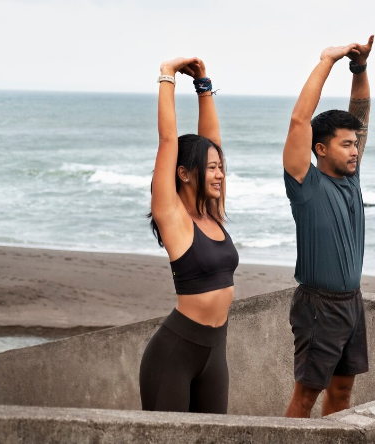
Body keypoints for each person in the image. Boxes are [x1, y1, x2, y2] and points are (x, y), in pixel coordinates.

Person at [139, 56, 238, 413]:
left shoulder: (211, 212)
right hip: (174, 355)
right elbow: (168, 140)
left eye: (221, 168)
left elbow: (211, 143)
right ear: (183, 173)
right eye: (211, 169)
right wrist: (167, 75)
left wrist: (204, 86)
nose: (220, 174)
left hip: (216, 353)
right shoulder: (173, 217)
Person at [283, 35, 374, 418]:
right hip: (319, 305)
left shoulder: (352, 178)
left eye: (356, 143)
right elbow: (300, 120)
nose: (355, 150)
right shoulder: (305, 183)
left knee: (342, 392)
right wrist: (327, 60)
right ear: (320, 149)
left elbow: (361, 110)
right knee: (306, 397)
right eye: (345, 144)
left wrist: (359, 67)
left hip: (352, 302)